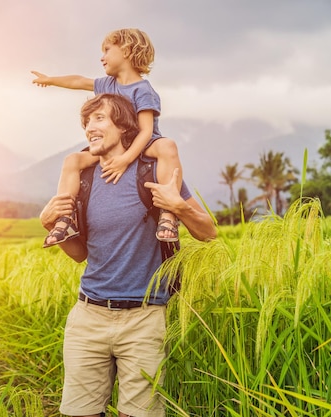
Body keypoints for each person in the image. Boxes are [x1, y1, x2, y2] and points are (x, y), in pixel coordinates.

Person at [40, 93, 217, 417]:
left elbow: (208, 232)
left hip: (144, 318)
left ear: (123, 126)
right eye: (86, 122)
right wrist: (48, 224)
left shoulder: (153, 173)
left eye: (98, 119)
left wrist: (177, 206)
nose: (89, 128)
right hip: (88, 316)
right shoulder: (85, 179)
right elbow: (80, 254)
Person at [33, 28, 183, 248]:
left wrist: (126, 160)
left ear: (127, 51)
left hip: (143, 145)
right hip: (113, 146)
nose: (101, 57)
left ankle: (169, 214)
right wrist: (51, 80)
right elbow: (79, 81)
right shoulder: (106, 84)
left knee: (167, 147)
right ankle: (65, 218)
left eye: (106, 50)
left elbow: (146, 131)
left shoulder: (142, 90)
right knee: (72, 161)